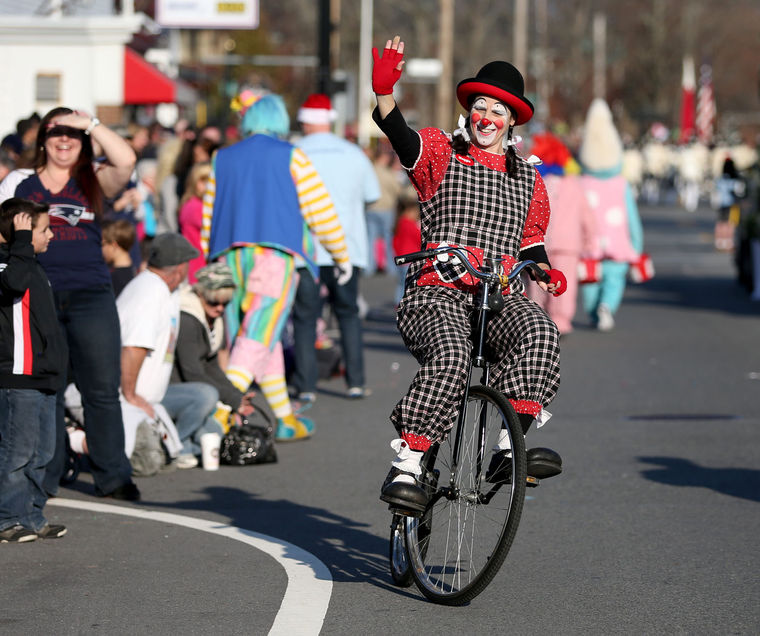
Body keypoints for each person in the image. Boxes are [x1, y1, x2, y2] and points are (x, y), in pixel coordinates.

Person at [372, 36, 565, 513]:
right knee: (453, 355)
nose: (487, 119)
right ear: (470, 111)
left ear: (512, 121)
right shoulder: (442, 152)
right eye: (481, 107)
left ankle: (506, 452)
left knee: (540, 332)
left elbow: (531, 242)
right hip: (437, 294)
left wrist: (542, 270)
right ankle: (410, 466)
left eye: (498, 112)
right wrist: (383, 95)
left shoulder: (529, 178)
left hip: (496, 295)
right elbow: (401, 136)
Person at [0, 107, 140, 501]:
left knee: (101, 389)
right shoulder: (21, 182)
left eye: (72, 134)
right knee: (49, 390)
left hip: (91, 294)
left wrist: (92, 124)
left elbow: (126, 159)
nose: (64, 140)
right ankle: (47, 476)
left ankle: (113, 476)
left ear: (84, 141)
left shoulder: (93, 178)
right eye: (55, 133)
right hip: (37, 296)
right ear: (42, 140)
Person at [201, 90, 352, 441]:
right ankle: (220, 415)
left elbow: (210, 216)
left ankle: (284, 419)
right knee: (258, 336)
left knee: (258, 336)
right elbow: (321, 212)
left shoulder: (222, 158)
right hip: (275, 257)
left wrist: (209, 260)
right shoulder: (292, 157)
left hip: (229, 257)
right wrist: (340, 256)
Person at [292, 93, 381, 402]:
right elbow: (372, 195)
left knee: (304, 318)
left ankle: (305, 385)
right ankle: (355, 381)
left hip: (306, 250)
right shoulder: (354, 154)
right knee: (348, 314)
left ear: (305, 120)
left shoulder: (295, 152)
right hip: (348, 247)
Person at [117, 232, 222, 468]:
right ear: (180, 268)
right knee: (206, 396)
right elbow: (133, 348)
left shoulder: (166, 289)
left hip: (156, 397)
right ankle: (171, 447)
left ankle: (176, 444)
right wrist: (131, 395)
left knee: (216, 432)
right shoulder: (149, 293)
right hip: (131, 399)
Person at [0, 198, 67, 542]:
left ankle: (31, 514)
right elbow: (12, 283)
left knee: (43, 452)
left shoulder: (31, 263)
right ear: (18, 233)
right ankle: (8, 518)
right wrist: (21, 240)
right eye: (43, 230)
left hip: (44, 375)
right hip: (18, 375)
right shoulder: (10, 263)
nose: (51, 236)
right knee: (17, 452)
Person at [171, 262, 276, 432]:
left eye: (225, 303)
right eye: (214, 302)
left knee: (217, 432)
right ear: (200, 294)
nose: (220, 308)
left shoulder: (213, 319)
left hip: (191, 388)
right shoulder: (187, 320)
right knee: (208, 401)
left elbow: (211, 366)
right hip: (173, 389)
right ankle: (181, 450)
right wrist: (231, 398)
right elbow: (193, 373)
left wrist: (236, 395)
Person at [578, 98, 644, 332]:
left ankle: (594, 310)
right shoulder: (621, 184)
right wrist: (636, 244)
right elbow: (632, 218)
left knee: (590, 279)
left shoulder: (582, 183)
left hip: (590, 241)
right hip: (617, 239)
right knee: (614, 277)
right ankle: (607, 306)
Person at [526, 132, 597, 336]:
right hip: (569, 244)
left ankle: (536, 316)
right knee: (563, 283)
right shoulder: (574, 185)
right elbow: (587, 217)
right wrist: (590, 242)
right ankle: (561, 320)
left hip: (541, 242)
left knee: (538, 281)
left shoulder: (536, 183)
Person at [366, 146, 402, 275]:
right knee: (388, 238)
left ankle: (369, 267)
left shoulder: (370, 170)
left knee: (371, 238)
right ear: (383, 157)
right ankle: (390, 268)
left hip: (371, 208)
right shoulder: (388, 173)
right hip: (386, 209)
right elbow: (398, 190)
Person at [178, 162, 212, 283]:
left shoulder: (191, 204)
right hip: (198, 266)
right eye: (203, 181)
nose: (208, 186)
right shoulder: (195, 206)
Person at [391, 195, 421, 305]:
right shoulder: (409, 224)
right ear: (409, 211)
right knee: (408, 283)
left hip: (401, 258)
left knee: (400, 283)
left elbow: (395, 241)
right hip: (410, 258)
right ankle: (404, 302)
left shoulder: (399, 223)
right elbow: (419, 238)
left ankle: (398, 301)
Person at [101, 218, 137, 297]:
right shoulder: (133, 271)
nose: (101, 249)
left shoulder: (116, 279)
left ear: (114, 245)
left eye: (103, 244)